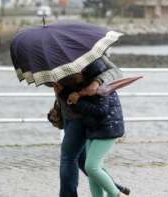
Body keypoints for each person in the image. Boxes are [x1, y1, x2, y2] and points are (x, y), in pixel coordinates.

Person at [49, 56, 127, 197]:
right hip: (72, 113)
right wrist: (57, 87)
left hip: (83, 115)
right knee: (85, 162)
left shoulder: (88, 52)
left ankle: (115, 192)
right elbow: (51, 83)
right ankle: (114, 188)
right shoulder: (51, 54)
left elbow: (115, 71)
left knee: (72, 159)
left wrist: (96, 82)